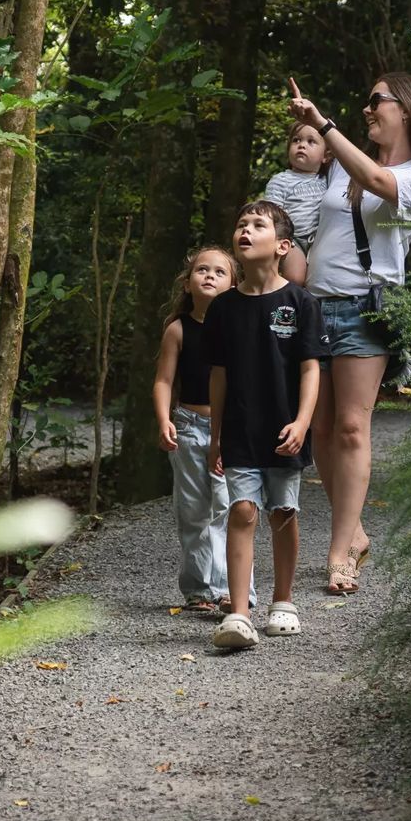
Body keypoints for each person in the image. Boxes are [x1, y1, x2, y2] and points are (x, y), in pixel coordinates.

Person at [289, 72, 411, 595]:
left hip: (365, 309)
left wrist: (325, 125)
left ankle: (338, 554)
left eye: (376, 100)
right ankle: (353, 533)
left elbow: (380, 184)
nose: (367, 109)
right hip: (314, 307)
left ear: (406, 108)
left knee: (353, 429)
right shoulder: (339, 168)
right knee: (321, 431)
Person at [204, 201, 327, 651]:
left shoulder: (301, 302)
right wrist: (215, 435)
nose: (246, 230)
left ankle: (283, 601)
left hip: (284, 431)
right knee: (241, 511)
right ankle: (238, 613)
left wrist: (302, 421)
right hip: (238, 429)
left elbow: (311, 368)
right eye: (241, 224)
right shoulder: (222, 309)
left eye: (258, 225)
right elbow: (218, 374)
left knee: (283, 512)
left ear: (282, 246)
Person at [151, 245, 240, 614]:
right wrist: (164, 419)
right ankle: (199, 589)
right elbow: (163, 380)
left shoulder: (237, 329)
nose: (210, 276)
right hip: (188, 427)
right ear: (187, 283)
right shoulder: (178, 329)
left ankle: (224, 588)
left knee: (225, 507)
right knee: (192, 510)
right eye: (202, 270)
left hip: (228, 429)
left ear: (234, 285)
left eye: (220, 272)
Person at [261, 120, 331, 285]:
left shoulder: (328, 179)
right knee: (295, 278)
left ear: (326, 156)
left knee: (318, 279)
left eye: (311, 141)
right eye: (296, 140)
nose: (302, 145)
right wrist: (281, 238)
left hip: (321, 238)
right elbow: (272, 214)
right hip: (294, 239)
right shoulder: (280, 180)